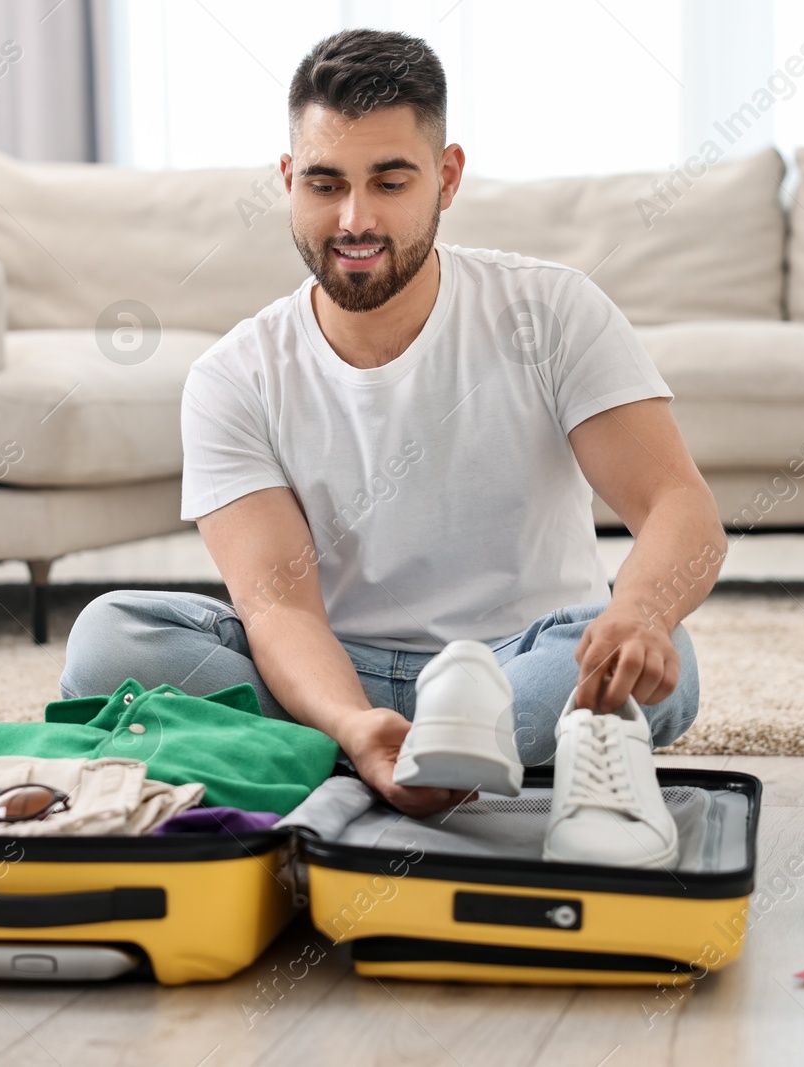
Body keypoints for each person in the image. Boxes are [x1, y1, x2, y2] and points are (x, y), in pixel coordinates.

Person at [60, 28, 725, 818]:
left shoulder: (552, 310)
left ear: (446, 179)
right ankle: (398, 752)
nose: (354, 219)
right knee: (111, 638)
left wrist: (639, 614)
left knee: (658, 661)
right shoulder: (233, 376)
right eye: (325, 183)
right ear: (287, 180)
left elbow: (678, 504)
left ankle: (351, 758)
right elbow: (280, 609)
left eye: (389, 181)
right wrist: (352, 718)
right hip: (331, 670)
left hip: (521, 662)